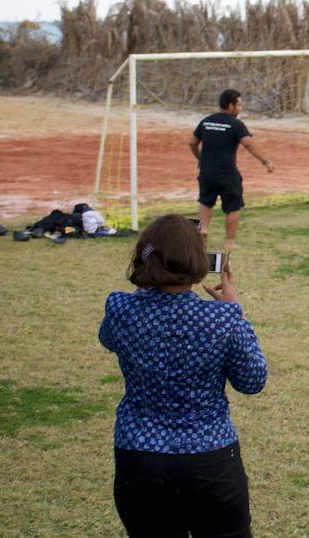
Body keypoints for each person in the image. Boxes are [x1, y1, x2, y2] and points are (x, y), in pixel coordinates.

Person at [98, 214, 267, 537]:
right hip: (211, 457)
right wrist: (236, 312)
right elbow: (253, 381)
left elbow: (108, 339)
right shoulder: (222, 319)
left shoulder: (121, 309)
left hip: (139, 455)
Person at [189, 89, 274, 250]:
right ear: (230, 105)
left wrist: (201, 159)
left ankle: (204, 230)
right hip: (227, 174)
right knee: (233, 207)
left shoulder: (206, 121)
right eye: (239, 105)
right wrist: (266, 160)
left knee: (205, 202)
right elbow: (248, 144)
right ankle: (229, 241)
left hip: (206, 172)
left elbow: (192, 142)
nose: (241, 108)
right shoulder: (236, 125)